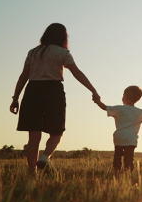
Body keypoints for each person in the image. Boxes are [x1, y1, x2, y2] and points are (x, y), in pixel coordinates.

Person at [8, 23, 104, 173]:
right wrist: (93, 90)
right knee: (57, 132)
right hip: (53, 91)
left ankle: (32, 174)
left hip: (32, 91)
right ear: (63, 37)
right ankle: (45, 158)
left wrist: (15, 98)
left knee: (33, 137)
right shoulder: (63, 53)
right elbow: (77, 73)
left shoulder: (33, 52)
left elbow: (23, 76)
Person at [100, 86, 142, 173]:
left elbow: (104, 107)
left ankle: (116, 170)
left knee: (117, 155)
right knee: (129, 157)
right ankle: (128, 171)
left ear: (125, 97)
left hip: (119, 136)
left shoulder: (119, 109)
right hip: (131, 138)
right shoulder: (140, 112)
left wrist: (97, 101)